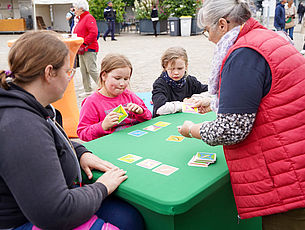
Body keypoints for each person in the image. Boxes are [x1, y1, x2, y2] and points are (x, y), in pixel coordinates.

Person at [178, 0, 305, 229]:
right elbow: (268, 95)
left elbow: (232, 129)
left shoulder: (243, 53)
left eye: (207, 31)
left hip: (287, 175)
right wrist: (216, 101)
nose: (209, 39)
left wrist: (192, 130)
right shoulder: (266, 38)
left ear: (223, 24)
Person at [0, 31, 145, 230]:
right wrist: (102, 187)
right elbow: (56, 212)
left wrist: (80, 153)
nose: (70, 79)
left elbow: (52, 140)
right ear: (49, 72)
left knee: (128, 217)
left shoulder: (33, 104)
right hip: (24, 221)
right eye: (69, 72)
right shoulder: (21, 125)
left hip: (44, 209)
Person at [77, 54, 152, 141]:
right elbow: (82, 133)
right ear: (104, 76)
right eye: (117, 78)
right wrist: (102, 126)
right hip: (109, 145)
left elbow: (148, 116)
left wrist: (141, 111)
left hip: (133, 140)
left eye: (126, 79)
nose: (122, 83)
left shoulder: (129, 96)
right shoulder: (91, 102)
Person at [151, 46, 208, 117]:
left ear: (186, 66)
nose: (176, 72)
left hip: (185, 119)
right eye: (171, 69)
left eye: (180, 68)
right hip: (165, 121)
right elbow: (160, 108)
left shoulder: (190, 80)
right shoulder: (160, 84)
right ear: (165, 67)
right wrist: (184, 105)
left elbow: (211, 91)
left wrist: (194, 99)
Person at [73, 0, 99, 96]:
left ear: (81, 9)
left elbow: (93, 33)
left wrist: (84, 44)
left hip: (89, 48)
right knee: (83, 70)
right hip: (81, 49)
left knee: (91, 69)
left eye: (75, 8)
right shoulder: (81, 19)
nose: (74, 10)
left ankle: (103, 87)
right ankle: (87, 89)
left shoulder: (88, 17)